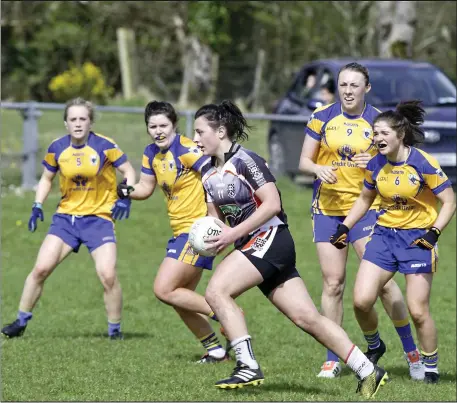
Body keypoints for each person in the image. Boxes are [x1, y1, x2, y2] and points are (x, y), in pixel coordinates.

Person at [192, 99, 388, 398]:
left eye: (199, 132)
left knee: (216, 291)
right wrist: (210, 240)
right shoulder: (207, 171)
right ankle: (368, 370)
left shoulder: (247, 161)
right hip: (254, 245)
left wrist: (233, 234)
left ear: (220, 132)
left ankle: (247, 365)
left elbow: (272, 204)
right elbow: (214, 219)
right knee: (307, 318)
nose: (195, 138)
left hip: (271, 239)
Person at [298, 62, 423, 379]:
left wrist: (376, 160)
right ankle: (333, 357)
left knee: (382, 285)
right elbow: (303, 161)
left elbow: (396, 163)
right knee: (333, 283)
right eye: (343, 85)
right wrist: (317, 170)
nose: (348, 91)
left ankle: (412, 353)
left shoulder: (378, 121)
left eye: (354, 85)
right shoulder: (321, 118)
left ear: (366, 88)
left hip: (367, 210)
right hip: (327, 209)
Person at [329, 100, 456, 384]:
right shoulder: (376, 164)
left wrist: (434, 231)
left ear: (400, 135)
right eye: (375, 134)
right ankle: (375, 345)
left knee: (418, 310)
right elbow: (365, 199)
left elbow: (449, 201)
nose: (377, 139)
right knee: (361, 301)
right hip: (384, 236)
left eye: (383, 133)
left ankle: (430, 365)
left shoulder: (422, 162)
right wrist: (345, 226)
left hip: (418, 239)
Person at [1, 97, 135, 340]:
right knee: (40, 269)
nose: (78, 123)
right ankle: (20, 322)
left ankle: (114, 331)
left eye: (83, 118)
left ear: (90, 122)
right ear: (65, 123)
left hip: (99, 219)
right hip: (66, 221)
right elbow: (46, 178)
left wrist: (126, 196)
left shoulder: (105, 145)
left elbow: (129, 171)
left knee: (107, 275)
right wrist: (37, 205)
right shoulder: (57, 147)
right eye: (73, 119)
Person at [118, 101, 229, 363]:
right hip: (180, 231)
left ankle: (227, 313)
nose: (158, 131)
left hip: (197, 231)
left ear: (174, 125)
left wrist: (219, 221)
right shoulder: (150, 154)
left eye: (163, 125)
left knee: (164, 289)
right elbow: (146, 187)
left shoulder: (187, 149)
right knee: (180, 299)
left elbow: (214, 177)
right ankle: (216, 351)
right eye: (152, 126)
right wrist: (126, 191)